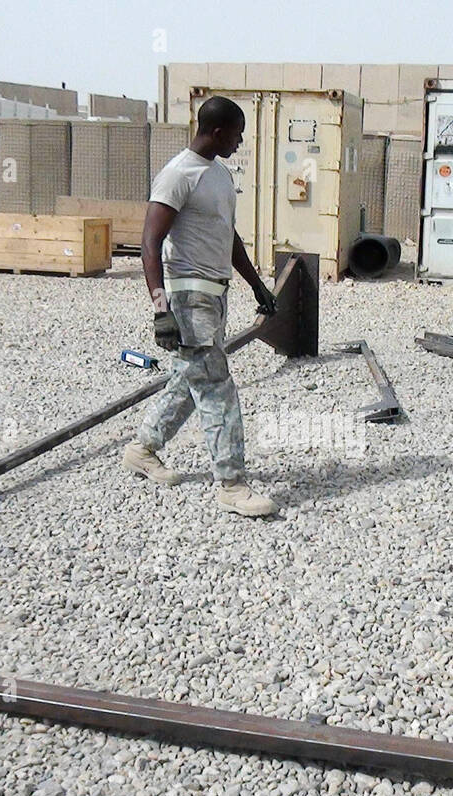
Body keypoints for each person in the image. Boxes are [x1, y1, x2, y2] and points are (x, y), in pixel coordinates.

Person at [122, 96, 279, 517]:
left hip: (214, 293)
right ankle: (231, 483)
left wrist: (258, 287)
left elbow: (230, 238)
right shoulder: (177, 175)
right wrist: (160, 309)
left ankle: (143, 448)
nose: (241, 140)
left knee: (188, 379)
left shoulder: (220, 175)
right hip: (187, 295)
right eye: (237, 133)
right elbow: (149, 245)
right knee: (215, 385)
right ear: (216, 131)